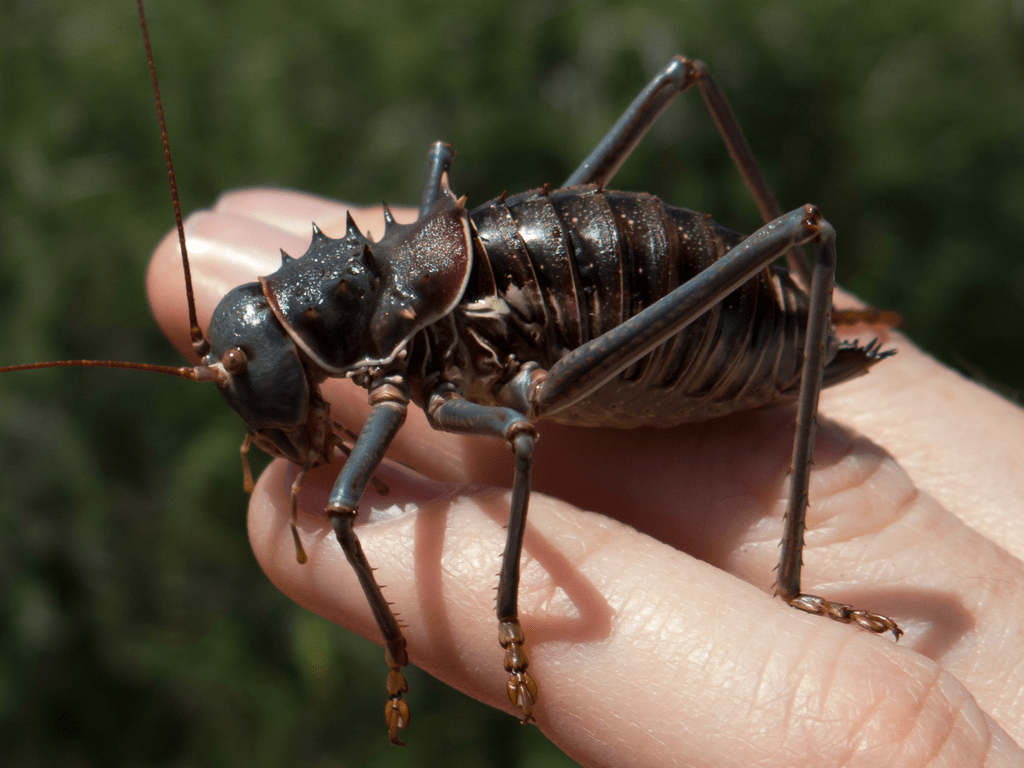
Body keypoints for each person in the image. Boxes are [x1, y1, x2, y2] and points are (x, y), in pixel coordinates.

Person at [148, 189, 1024, 766]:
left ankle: (793, 580)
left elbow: (429, 474)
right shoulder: (378, 315)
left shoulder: (407, 353)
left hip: (668, 325)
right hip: (561, 283)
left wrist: (481, 630)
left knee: (370, 500)